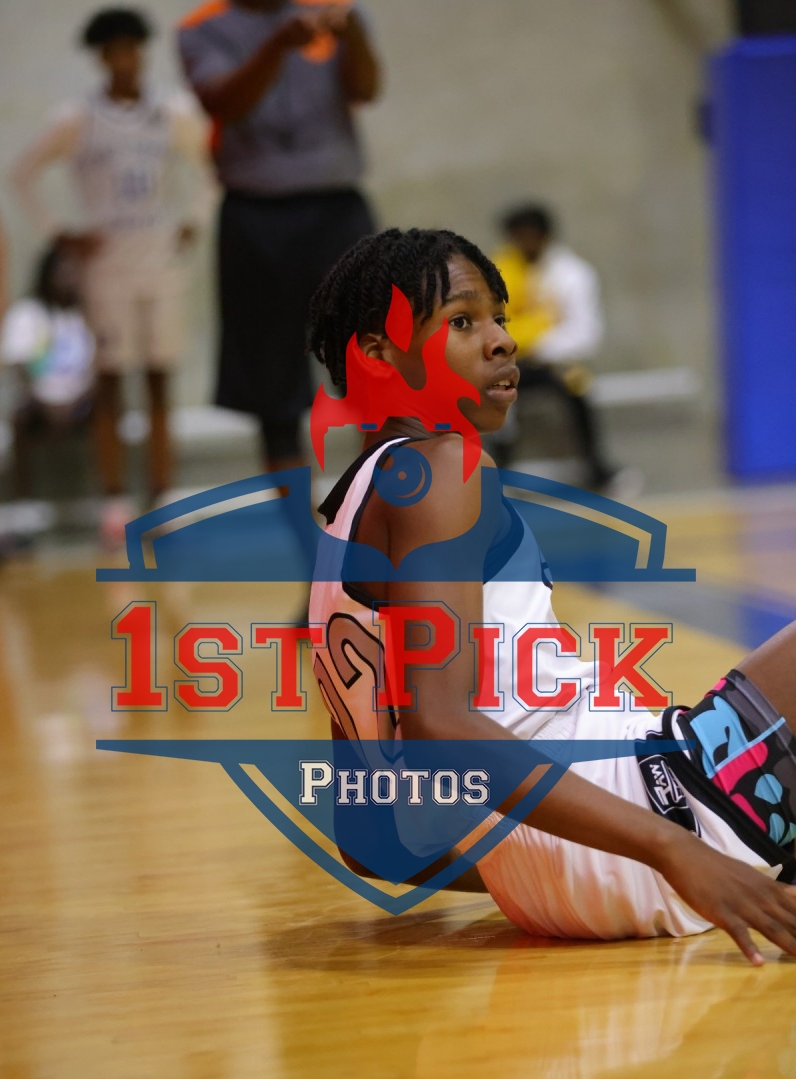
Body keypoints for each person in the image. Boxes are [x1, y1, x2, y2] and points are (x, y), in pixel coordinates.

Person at [306, 226, 796, 965]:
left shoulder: (347, 518)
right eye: (462, 321)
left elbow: (369, 842)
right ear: (378, 354)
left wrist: (532, 872)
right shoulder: (440, 468)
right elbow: (439, 723)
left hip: (552, 871)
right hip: (653, 817)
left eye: (499, 317)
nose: (502, 340)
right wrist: (673, 853)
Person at [12, 7, 215, 546]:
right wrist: (61, 233)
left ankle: (164, 494)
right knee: (109, 382)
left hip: (160, 262)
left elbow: (213, 166)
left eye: (131, 48)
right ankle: (115, 500)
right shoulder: (76, 118)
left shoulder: (172, 111)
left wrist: (194, 221)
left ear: (141, 53)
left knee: (160, 378)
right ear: (100, 58)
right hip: (106, 268)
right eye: (113, 50)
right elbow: (22, 174)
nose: (124, 59)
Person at [177, 0, 380, 476]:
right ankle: (298, 522)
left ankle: (378, 503)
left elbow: (366, 89)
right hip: (257, 214)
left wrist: (355, 36)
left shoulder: (333, 10)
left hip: (337, 207)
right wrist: (277, 46)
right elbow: (224, 102)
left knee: (372, 368)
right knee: (273, 387)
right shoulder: (202, 27)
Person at [492, 203, 622, 491]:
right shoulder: (501, 269)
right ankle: (498, 471)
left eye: (528, 236)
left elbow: (585, 333)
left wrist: (535, 344)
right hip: (510, 363)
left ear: (544, 236)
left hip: (556, 363)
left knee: (578, 388)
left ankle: (596, 467)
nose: (522, 244)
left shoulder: (572, 274)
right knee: (494, 390)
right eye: (516, 238)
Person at [0, 243, 95, 497]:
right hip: (37, 402)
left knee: (107, 412)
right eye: (62, 272)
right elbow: (18, 367)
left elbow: (97, 367)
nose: (68, 280)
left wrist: (76, 400)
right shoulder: (27, 313)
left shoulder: (84, 314)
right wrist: (45, 402)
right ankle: (23, 496)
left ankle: (105, 493)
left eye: (73, 273)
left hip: (80, 402)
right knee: (19, 419)